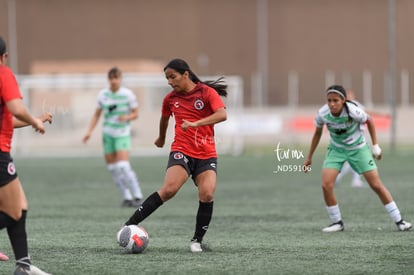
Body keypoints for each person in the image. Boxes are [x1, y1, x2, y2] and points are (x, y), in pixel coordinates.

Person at [119, 58, 227, 252]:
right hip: (182, 150)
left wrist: (195, 124)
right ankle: (128, 225)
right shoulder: (170, 99)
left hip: (206, 153)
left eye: (173, 77)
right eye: (167, 78)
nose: (170, 81)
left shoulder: (206, 92)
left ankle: (196, 241)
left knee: (207, 194)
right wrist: (161, 138)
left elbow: (222, 115)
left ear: (185, 74)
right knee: (169, 190)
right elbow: (164, 119)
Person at [304, 84, 411, 232]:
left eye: (335, 100)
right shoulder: (322, 113)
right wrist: (309, 157)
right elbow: (317, 133)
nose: (332, 104)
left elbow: (370, 120)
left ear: (343, 100)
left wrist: (375, 146)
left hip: (358, 149)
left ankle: (400, 221)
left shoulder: (353, 110)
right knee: (326, 185)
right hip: (336, 150)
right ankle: (337, 223)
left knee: (376, 185)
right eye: (329, 100)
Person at [0, 36, 52, 275]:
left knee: (20, 207)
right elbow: (16, 108)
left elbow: (8, 119)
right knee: (13, 212)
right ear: (5, 56)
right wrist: (35, 122)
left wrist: (36, 119)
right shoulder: (3, 73)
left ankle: (23, 265)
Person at [83, 67, 144, 207]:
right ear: (108, 79)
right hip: (108, 134)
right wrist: (89, 131)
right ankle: (127, 197)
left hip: (122, 134)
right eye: (111, 78)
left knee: (123, 165)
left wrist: (127, 117)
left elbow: (136, 113)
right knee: (113, 168)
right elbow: (97, 114)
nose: (114, 81)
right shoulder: (103, 95)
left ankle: (138, 196)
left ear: (120, 79)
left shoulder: (128, 94)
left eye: (116, 78)